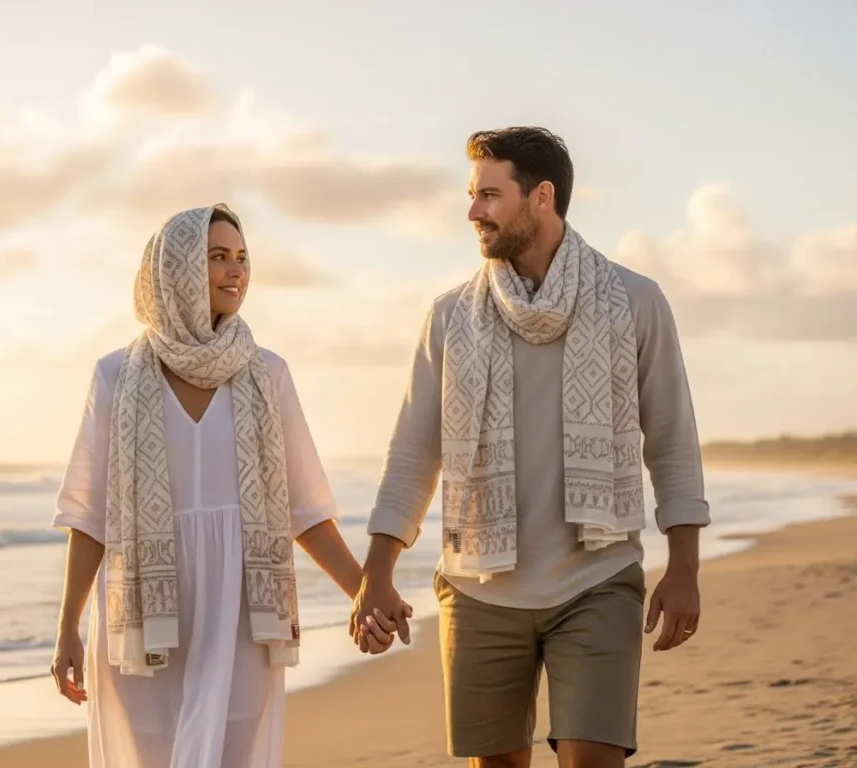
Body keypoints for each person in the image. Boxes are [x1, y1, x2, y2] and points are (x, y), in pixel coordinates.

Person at [350, 127, 711, 768]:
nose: (472, 211)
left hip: (597, 580)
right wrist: (376, 574)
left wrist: (685, 566)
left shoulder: (634, 301)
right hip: (478, 590)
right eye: (471, 195)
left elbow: (672, 439)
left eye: (489, 195)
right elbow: (412, 453)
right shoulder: (450, 317)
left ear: (541, 197)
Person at [49, 204, 394, 768]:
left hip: (241, 613)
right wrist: (66, 628)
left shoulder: (267, 374)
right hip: (144, 620)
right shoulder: (116, 376)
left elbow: (304, 510)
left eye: (241, 258)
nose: (235, 271)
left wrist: (365, 594)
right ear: (175, 269)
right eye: (216, 257)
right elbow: (89, 516)